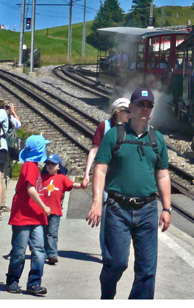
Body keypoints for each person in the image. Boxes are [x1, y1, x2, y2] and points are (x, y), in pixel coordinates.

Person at [87, 87, 172, 299]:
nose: (144, 109)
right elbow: (100, 168)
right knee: (116, 263)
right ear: (130, 108)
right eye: (140, 105)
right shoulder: (114, 135)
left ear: (151, 110)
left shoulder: (157, 139)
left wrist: (167, 208)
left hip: (147, 209)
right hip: (117, 208)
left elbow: (162, 175)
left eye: (148, 105)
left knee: (147, 269)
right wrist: (97, 202)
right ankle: (107, 295)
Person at [5, 135, 52, 295]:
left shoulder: (33, 166)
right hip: (23, 216)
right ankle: (12, 280)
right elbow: (31, 189)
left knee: (39, 250)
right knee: (19, 251)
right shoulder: (29, 167)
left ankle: (34, 283)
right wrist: (44, 206)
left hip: (35, 216)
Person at [83, 98, 131, 251]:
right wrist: (86, 173)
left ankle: (119, 250)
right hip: (106, 178)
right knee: (105, 215)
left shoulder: (132, 128)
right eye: (127, 111)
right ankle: (106, 251)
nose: (130, 114)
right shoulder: (105, 127)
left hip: (124, 178)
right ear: (118, 112)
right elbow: (94, 150)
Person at [40, 154, 87, 265]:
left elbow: (72, 184)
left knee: (52, 233)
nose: (50, 166)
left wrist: (81, 185)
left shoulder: (62, 178)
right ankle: (44, 252)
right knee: (43, 233)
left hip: (55, 211)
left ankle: (52, 254)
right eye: (48, 164)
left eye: (53, 164)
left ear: (59, 166)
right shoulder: (41, 178)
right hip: (42, 210)